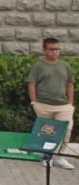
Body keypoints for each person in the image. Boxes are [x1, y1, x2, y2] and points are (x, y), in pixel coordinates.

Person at [28, 37, 76, 169]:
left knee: (66, 131)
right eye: (52, 49)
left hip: (63, 106)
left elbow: (70, 85)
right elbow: (32, 84)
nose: (55, 52)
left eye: (57, 49)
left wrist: (70, 104)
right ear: (44, 50)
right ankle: (46, 158)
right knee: (46, 133)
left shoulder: (65, 66)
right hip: (43, 105)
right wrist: (34, 102)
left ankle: (60, 157)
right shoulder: (38, 66)